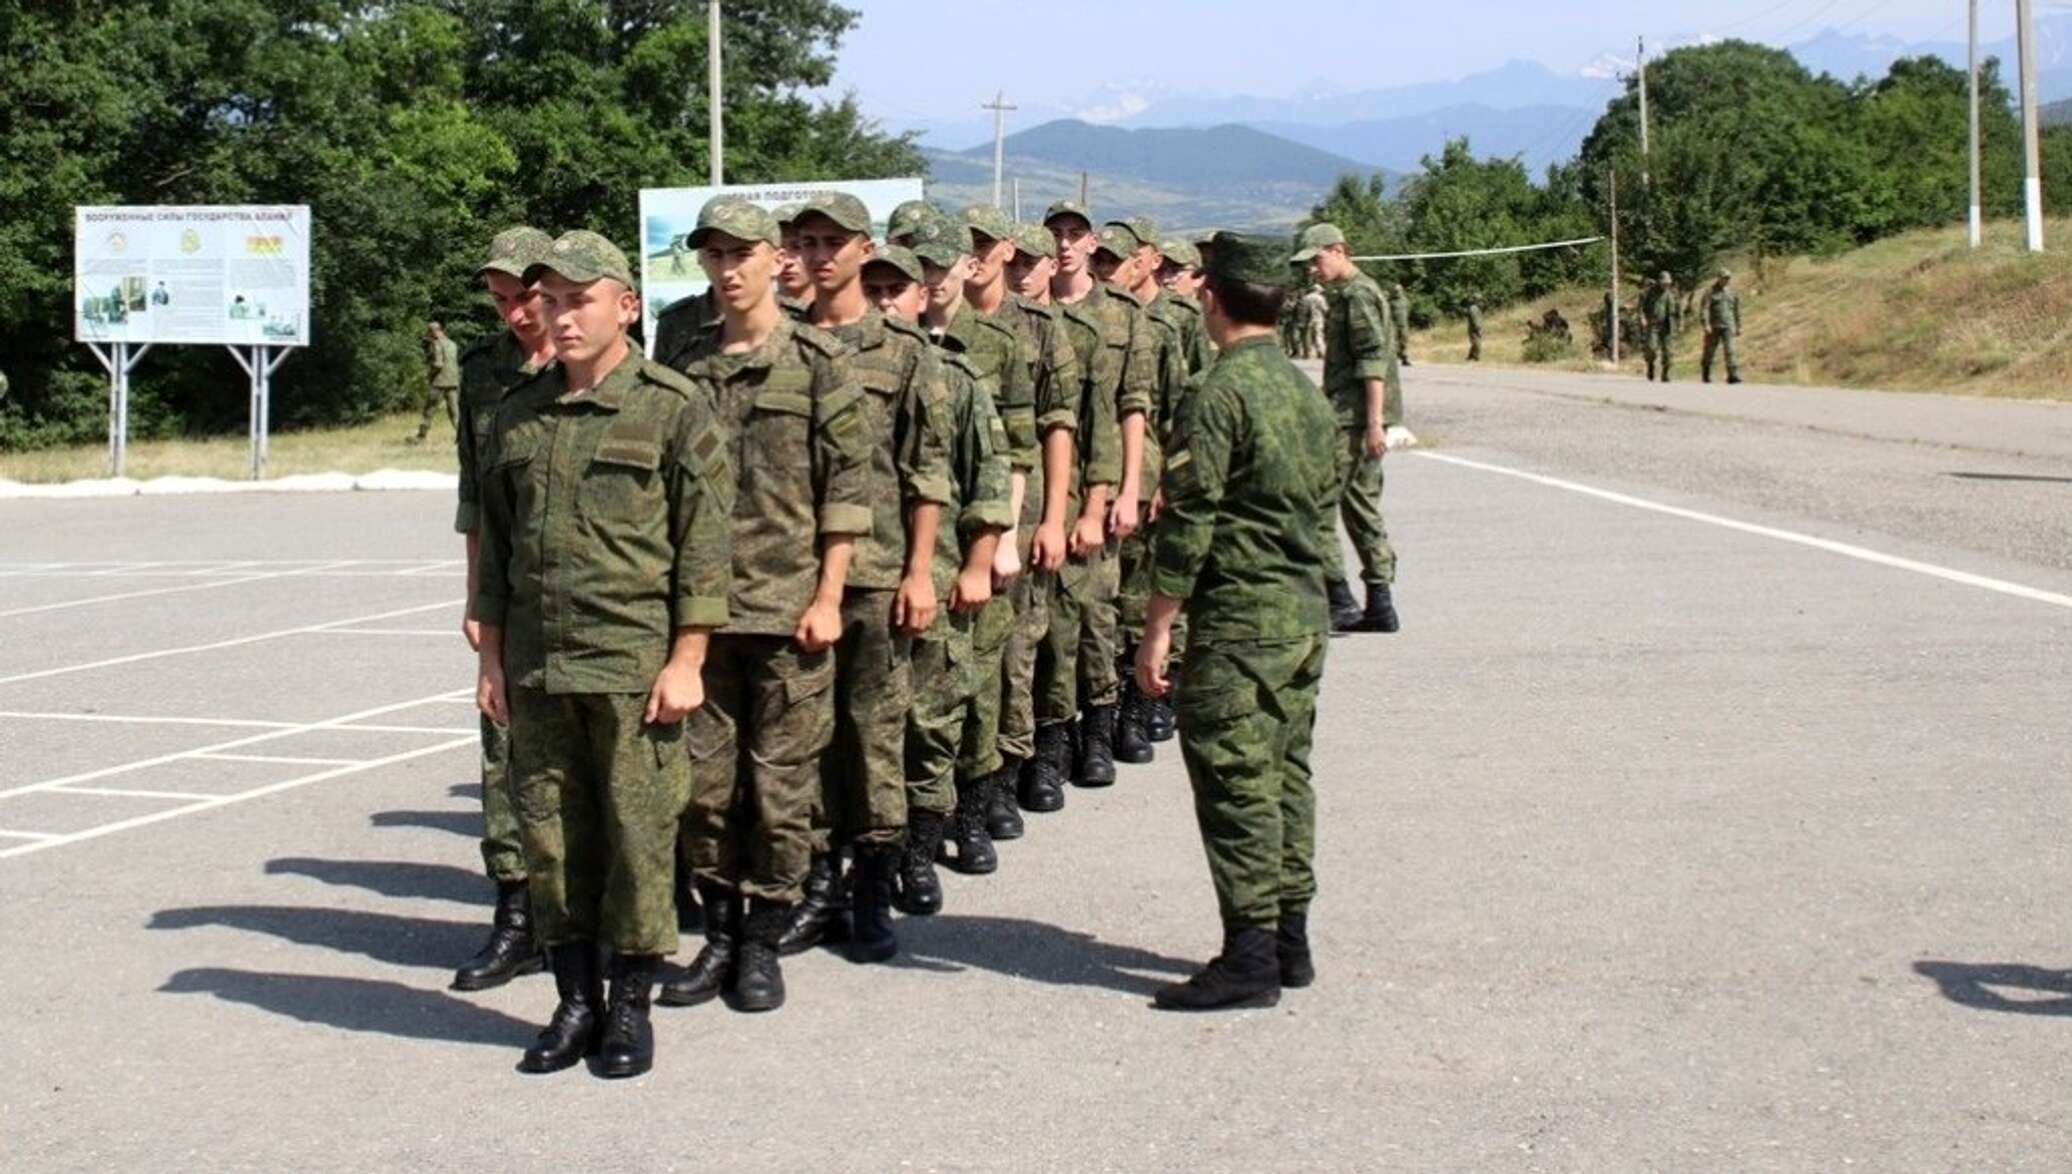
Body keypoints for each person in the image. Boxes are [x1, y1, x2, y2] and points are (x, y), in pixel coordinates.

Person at [474, 228, 733, 1077]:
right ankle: (573, 1000)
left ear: (626, 305)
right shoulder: (516, 413)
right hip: (539, 667)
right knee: (551, 841)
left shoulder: (670, 404)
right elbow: (498, 552)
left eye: (578, 298)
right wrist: (490, 662)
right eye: (549, 299)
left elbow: (703, 546)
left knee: (637, 836)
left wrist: (688, 657)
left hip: (632, 665)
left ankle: (630, 1006)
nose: (559, 314)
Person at [656, 197, 873, 1013]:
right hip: (701, 617)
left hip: (788, 613)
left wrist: (828, 596)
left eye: (742, 253)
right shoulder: (681, 355)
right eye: (713, 255)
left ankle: (762, 941)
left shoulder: (817, 362)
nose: (729, 268)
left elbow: (846, 491)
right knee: (706, 789)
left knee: (782, 791)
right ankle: (717, 933)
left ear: (775, 258)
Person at [1134, 231, 1336, 1012]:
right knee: (1287, 777)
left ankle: (1250, 954)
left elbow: (1190, 523)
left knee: (1238, 787)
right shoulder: (1300, 390)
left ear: (1211, 298)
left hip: (1240, 622)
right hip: (1300, 615)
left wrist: (1157, 627)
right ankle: (1289, 940)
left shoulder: (1217, 392)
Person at [793, 193, 954, 962]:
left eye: (833, 241)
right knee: (805, 737)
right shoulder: (780, 344)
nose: (818, 255)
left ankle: (872, 889)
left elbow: (927, 474)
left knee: (874, 734)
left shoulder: (905, 352)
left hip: (879, 574)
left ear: (865, 249)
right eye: (806, 241)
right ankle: (817, 886)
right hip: (790, 576)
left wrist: (921, 573)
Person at [863, 245, 1012, 915]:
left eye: (896, 288)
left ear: (922, 297)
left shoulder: (956, 378)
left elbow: (987, 478)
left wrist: (980, 563)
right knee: (860, 733)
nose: (884, 301)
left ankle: (920, 855)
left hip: (938, 578)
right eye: (874, 289)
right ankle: (867, 861)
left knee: (930, 723)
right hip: (858, 583)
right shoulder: (834, 372)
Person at [450, 225, 557, 994]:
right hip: (513, 594)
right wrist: (475, 599)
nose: (516, 314)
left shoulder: (615, 362)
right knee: (504, 752)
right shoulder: (483, 369)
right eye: (502, 301)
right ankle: (516, 916)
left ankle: (590, 920)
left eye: (527, 297)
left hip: (601, 595)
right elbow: (473, 497)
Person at [918, 212, 1035, 862]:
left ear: (965, 266)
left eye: (941, 263)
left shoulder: (996, 345)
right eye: (920, 262)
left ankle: (972, 806)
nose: (931, 277)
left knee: (979, 676)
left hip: (975, 531)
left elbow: (1016, 452)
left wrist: (1005, 536)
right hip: (912, 543)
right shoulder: (890, 339)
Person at [962, 203, 1079, 819]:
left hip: (1022, 506)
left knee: (1017, 647)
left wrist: (1055, 518)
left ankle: (1010, 770)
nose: (975, 255)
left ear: (1006, 249)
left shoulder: (1034, 326)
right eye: (967, 245)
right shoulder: (937, 325)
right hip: (957, 512)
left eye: (986, 244)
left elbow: (1057, 428)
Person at [1116, 218, 1208, 765]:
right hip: (1126, 476)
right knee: (1124, 598)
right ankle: (1135, 691)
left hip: (1160, 474)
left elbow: (1188, 406)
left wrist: (1177, 478)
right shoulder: (1105, 317)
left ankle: (1163, 685)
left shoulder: (1179, 321)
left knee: (1163, 582)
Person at [1294, 223, 1402, 635]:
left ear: (1339, 250)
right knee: (1359, 508)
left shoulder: (1357, 295)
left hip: (1353, 421)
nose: (1312, 271)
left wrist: (1374, 424)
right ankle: (1379, 601)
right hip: (1352, 418)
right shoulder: (1351, 294)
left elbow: (1372, 363)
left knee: (1318, 505)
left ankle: (1341, 598)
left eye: (1316, 260)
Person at [415, 321, 461, 442]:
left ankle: (421, 437)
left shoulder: (436, 344)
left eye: (429, 332)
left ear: (434, 331)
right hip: (453, 381)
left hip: (439, 382)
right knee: (454, 412)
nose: (428, 334)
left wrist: (429, 375)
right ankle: (462, 437)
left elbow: (438, 364)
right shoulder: (453, 344)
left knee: (429, 410)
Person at [1702, 268, 1743, 385]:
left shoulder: (1732, 292)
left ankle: (1732, 375)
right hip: (1713, 326)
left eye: (1728, 278)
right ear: (1718, 278)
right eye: (1724, 278)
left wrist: (1739, 326)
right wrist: (1706, 324)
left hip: (1728, 326)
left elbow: (1736, 310)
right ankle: (1706, 372)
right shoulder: (1710, 291)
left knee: (1730, 351)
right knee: (1709, 351)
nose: (1726, 280)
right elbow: (1704, 309)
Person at [1641, 271, 1677, 383]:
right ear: (1659, 282)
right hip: (1653, 325)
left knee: (1668, 352)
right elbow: (1642, 307)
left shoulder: (1671, 294)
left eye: (1668, 284)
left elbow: (1677, 310)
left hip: (1667, 326)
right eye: (1664, 283)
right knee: (1651, 348)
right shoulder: (1649, 293)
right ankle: (1650, 365)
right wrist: (1642, 318)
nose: (1666, 285)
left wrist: (1680, 324)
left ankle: (1665, 373)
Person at [1302, 284, 1328, 361]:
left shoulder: (1306, 298)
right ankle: (1321, 353)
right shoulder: (1320, 298)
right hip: (1318, 319)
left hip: (1307, 320)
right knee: (1318, 335)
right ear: (1318, 290)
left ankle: (1307, 353)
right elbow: (1325, 309)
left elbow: (1302, 310)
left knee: (1307, 336)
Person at [1389, 281, 1412, 367]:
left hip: (1404, 324)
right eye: (1396, 290)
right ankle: (1393, 359)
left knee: (1404, 341)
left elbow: (1408, 310)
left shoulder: (1405, 300)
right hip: (1393, 324)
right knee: (1393, 342)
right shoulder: (1390, 301)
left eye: (1399, 290)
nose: (1397, 292)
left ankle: (1404, 358)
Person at [1465, 297, 1484, 362]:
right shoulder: (1474, 308)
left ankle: (1470, 357)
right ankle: (1476, 357)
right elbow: (1475, 319)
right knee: (1477, 343)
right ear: (1476, 300)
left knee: (1475, 343)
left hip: (1475, 328)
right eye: (1480, 300)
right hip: (1474, 329)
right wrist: (1478, 328)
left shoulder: (1476, 308)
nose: (1481, 302)